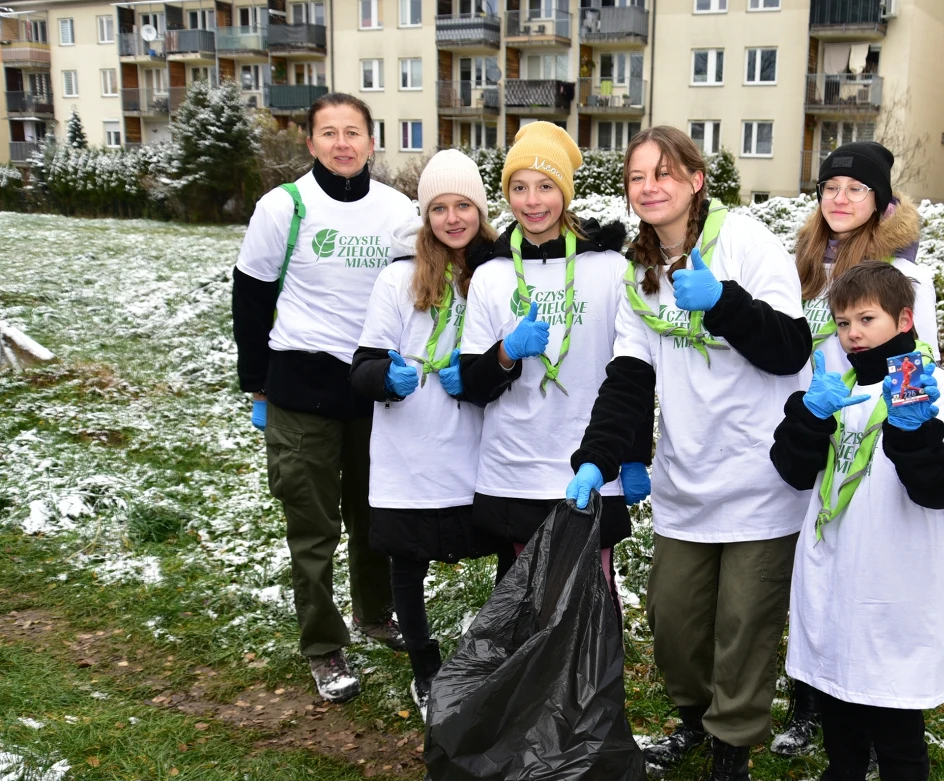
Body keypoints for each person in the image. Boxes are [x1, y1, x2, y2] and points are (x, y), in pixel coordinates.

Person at [566, 125, 811, 781]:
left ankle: (732, 767)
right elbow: (628, 376)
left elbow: (790, 348)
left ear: (697, 179)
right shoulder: (639, 272)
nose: (650, 187)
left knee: (743, 629)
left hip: (759, 479)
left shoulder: (747, 244)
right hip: (686, 480)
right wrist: (598, 456)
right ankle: (694, 724)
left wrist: (724, 303)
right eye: (637, 177)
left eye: (665, 173)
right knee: (674, 623)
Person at [767, 261, 944, 781]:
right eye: (843, 322)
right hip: (834, 572)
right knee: (836, 700)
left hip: (896, 579)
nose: (853, 333)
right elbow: (792, 470)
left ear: (904, 319)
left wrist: (917, 435)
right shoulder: (835, 387)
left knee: (893, 715)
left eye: (867, 319)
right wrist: (809, 417)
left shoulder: (932, 389)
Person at [232, 94, 414, 703]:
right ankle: (323, 645)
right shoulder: (283, 207)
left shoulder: (396, 211)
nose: (342, 143)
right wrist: (256, 382)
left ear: (371, 142)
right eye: (329, 133)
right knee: (313, 528)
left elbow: (420, 290)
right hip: (300, 388)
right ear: (310, 143)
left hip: (372, 389)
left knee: (375, 515)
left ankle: (374, 613)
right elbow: (251, 297)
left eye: (353, 132)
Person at [772, 139, 941, 757]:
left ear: (881, 200)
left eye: (856, 189)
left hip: (869, 437)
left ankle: (867, 712)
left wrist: (897, 417)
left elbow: (919, 358)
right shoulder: (806, 268)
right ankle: (807, 702)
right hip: (814, 427)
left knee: (854, 574)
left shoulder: (905, 276)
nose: (840, 199)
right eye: (830, 188)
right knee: (810, 576)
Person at [460, 122, 648, 597]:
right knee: (524, 598)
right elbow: (473, 385)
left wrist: (632, 455)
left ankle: (595, 657)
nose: (532, 201)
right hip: (515, 469)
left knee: (591, 594)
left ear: (565, 192)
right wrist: (506, 353)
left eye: (546, 186)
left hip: (590, 462)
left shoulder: (610, 267)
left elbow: (632, 368)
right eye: (519, 187)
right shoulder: (490, 275)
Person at [349, 150, 500, 721]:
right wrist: (385, 379)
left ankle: (489, 656)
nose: (452, 218)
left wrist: (487, 374)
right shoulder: (397, 277)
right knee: (407, 565)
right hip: (408, 449)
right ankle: (425, 667)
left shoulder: (495, 273)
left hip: (474, 448)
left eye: (464, 205)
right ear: (425, 214)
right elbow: (362, 365)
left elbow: (511, 353)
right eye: (439, 207)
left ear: (480, 210)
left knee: (503, 550)